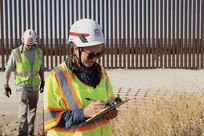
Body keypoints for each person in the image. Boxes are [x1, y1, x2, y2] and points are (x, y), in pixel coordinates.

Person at [44, 19, 118, 136]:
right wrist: (83, 113)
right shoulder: (57, 77)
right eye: (91, 55)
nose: (95, 59)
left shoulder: (101, 72)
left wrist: (111, 111)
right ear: (75, 48)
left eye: (98, 54)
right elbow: (50, 119)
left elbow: (110, 99)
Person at [3, 29, 45, 136]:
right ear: (22, 40)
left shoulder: (39, 52)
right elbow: (8, 69)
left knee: (33, 112)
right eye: (27, 44)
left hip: (34, 86)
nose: (29, 47)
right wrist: (6, 85)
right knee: (23, 112)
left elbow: (40, 68)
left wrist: (43, 80)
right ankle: (22, 134)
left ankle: (30, 133)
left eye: (32, 45)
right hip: (22, 87)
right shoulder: (16, 52)